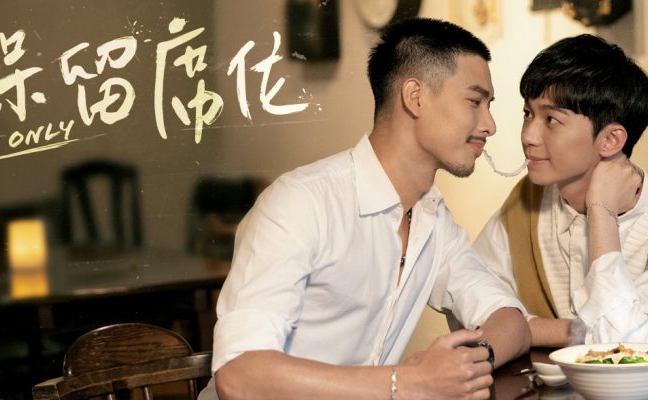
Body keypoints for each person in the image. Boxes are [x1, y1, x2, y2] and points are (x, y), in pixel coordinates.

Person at [198, 18, 531, 400]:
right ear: (415, 97)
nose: (489, 125)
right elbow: (239, 376)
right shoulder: (301, 202)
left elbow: (510, 321)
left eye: (489, 106)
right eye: (475, 101)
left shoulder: (432, 218)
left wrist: (466, 365)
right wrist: (409, 381)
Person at [472, 34, 648, 352]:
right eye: (528, 114)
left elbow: (625, 349)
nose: (529, 136)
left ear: (611, 140)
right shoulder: (528, 198)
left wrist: (601, 211)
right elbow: (472, 306)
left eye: (551, 119)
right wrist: (571, 332)